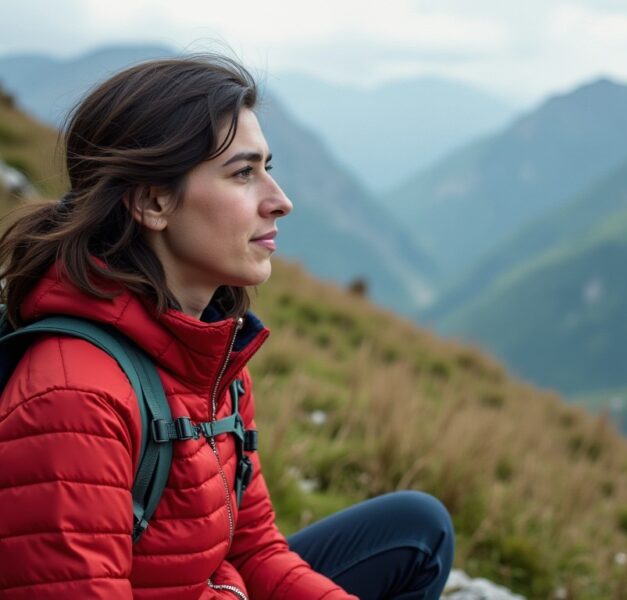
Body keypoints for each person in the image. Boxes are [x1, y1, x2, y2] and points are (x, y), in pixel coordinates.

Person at [0, 54, 453, 600]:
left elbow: (254, 549)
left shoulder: (212, 354)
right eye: (243, 173)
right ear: (153, 202)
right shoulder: (75, 400)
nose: (280, 201)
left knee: (417, 529)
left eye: (268, 167)